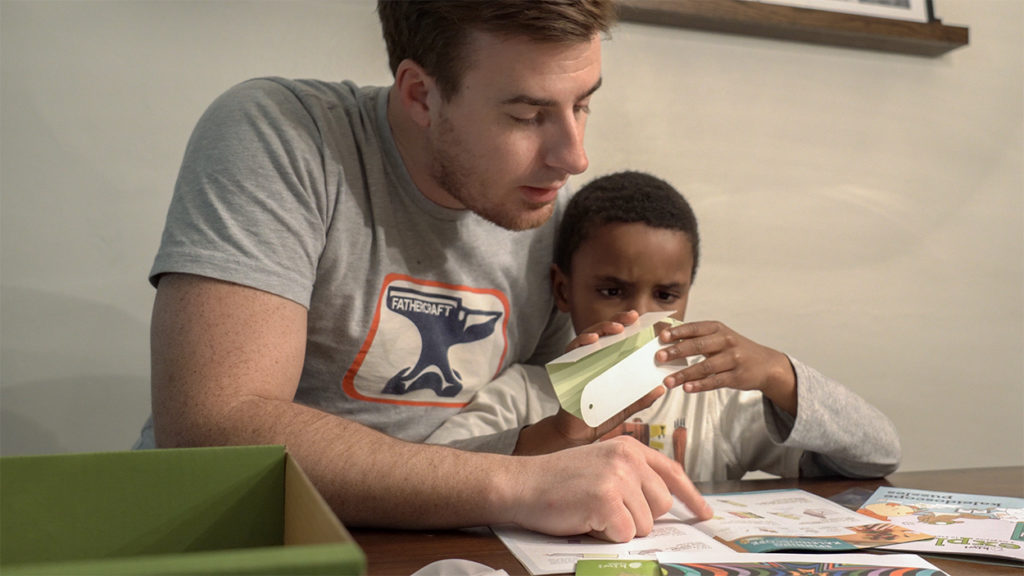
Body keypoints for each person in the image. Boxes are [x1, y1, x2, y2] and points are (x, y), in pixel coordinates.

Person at [133, 0, 712, 543]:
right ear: (421, 94)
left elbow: (541, 432)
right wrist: (514, 485)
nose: (574, 156)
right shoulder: (282, 135)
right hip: (233, 537)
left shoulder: (545, 210)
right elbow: (215, 427)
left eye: (582, 103)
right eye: (528, 115)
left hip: (438, 545)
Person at [427, 171, 901, 482]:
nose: (636, 315)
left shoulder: (713, 403)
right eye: (612, 291)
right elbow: (434, 479)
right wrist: (556, 434)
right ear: (565, 290)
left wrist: (780, 373)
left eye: (666, 296)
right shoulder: (524, 394)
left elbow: (877, 455)